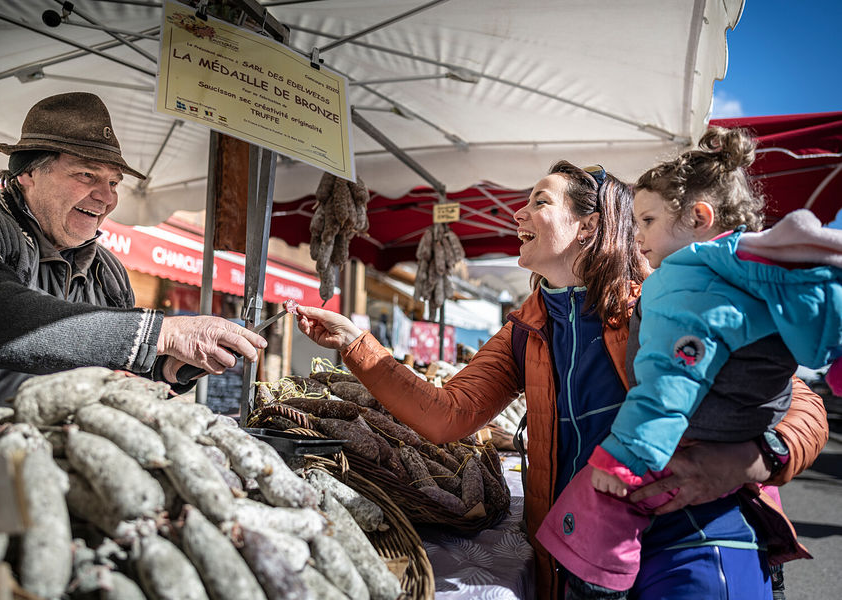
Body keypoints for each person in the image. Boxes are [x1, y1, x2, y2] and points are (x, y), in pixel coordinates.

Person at [291, 159, 828, 599]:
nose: (517, 214)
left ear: (589, 226)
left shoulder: (664, 301)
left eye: (539, 201)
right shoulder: (528, 325)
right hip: (588, 556)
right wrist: (355, 344)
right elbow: (445, 414)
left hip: (694, 544)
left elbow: (799, 404)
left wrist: (748, 460)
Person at [537, 128, 841, 599]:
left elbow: (670, 383)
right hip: (722, 441)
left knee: (600, 498)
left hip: (708, 516)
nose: (638, 238)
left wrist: (752, 458)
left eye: (648, 221)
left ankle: (600, 585)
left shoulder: (680, 285)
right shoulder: (750, 272)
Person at [0, 92, 267, 440]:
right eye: (86, 175)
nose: (107, 196)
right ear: (29, 172)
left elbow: (116, 374)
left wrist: (168, 367)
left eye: (113, 182)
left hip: (63, 466)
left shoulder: (108, 271)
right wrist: (163, 333)